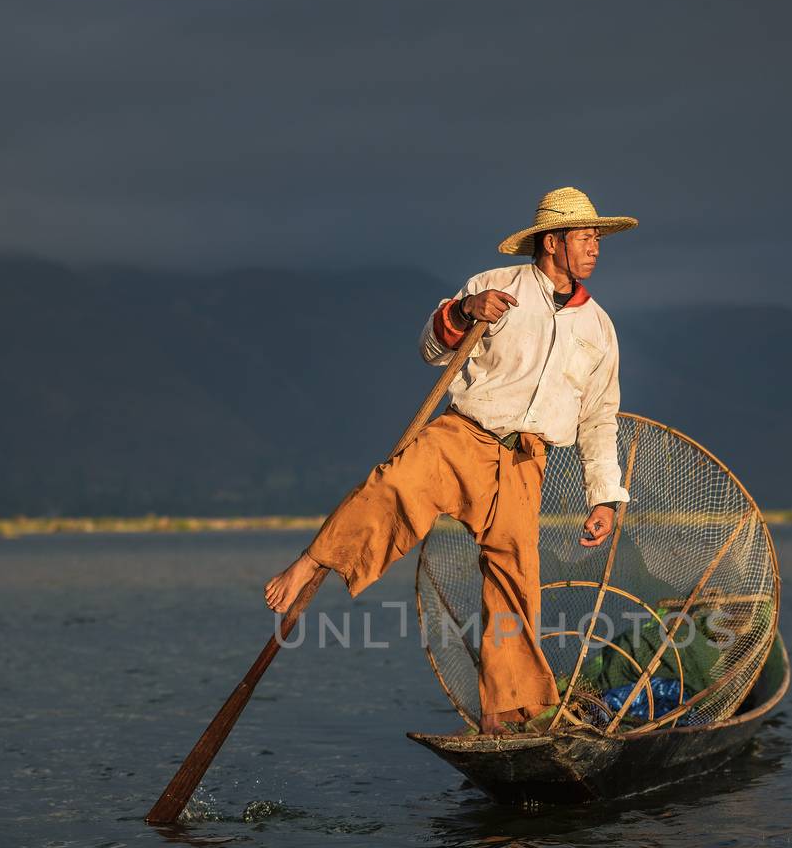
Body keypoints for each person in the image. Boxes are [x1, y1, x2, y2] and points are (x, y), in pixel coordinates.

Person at [264, 185, 637, 733]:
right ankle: (313, 561)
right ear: (553, 242)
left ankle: (504, 715)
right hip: (465, 435)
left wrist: (604, 497)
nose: (596, 248)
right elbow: (431, 348)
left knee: (514, 585)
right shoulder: (495, 287)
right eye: (586, 237)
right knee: (394, 487)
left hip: (525, 461)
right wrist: (464, 311)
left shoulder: (598, 327)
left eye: (597, 238)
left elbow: (599, 419)